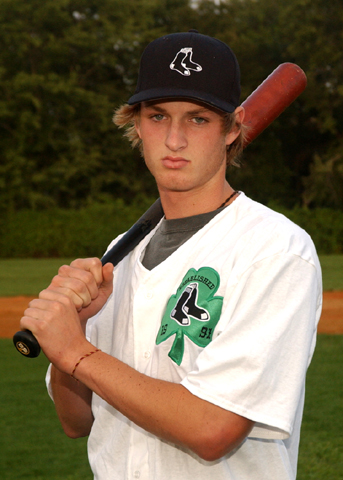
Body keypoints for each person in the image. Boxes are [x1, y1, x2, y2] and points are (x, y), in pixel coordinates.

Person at [20, 31, 322, 480]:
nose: (175, 139)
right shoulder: (119, 255)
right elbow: (76, 421)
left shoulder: (274, 249)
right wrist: (74, 332)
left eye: (198, 119)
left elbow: (214, 428)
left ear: (233, 127)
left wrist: (78, 352)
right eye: (158, 116)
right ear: (136, 124)